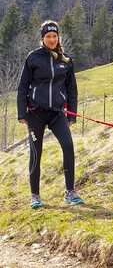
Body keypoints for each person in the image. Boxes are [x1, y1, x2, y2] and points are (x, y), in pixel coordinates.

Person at [17, 20, 84, 208]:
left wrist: (72, 115)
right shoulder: (33, 58)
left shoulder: (66, 60)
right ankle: (35, 195)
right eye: (48, 36)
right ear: (43, 38)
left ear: (58, 37)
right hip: (35, 114)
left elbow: (72, 90)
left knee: (68, 145)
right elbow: (23, 87)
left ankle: (70, 192)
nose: (52, 39)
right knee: (36, 152)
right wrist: (22, 112)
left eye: (55, 36)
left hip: (57, 113)